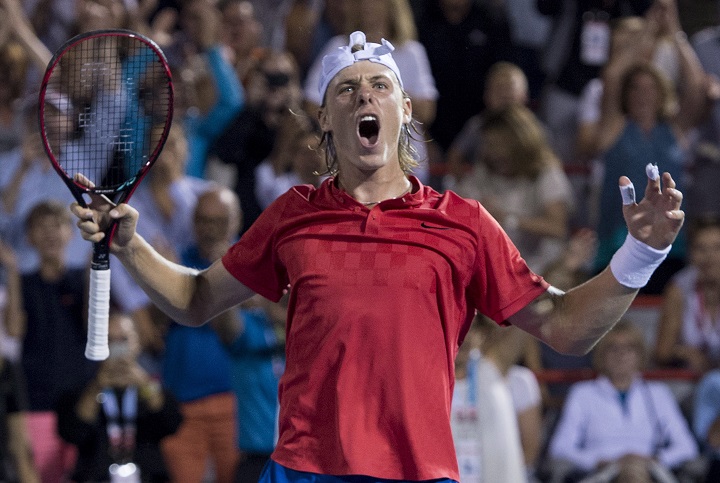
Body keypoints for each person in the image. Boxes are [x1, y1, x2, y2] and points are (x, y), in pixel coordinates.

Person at [71, 30, 685, 482]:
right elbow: (196, 299)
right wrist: (130, 245)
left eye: (379, 85)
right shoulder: (293, 214)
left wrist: (642, 253)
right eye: (347, 89)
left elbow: (565, 328)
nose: (365, 94)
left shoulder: (465, 225)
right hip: (302, 470)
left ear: (403, 111)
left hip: (420, 472)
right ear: (327, 118)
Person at [547, 319, 699, 483]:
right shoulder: (583, 393)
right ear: (601, 354)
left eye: (629, 348)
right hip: (602, 472)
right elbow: (560, 448)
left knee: (635, 474)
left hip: (648, 468)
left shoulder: (658, 393)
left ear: (640, 354)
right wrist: (600, 461)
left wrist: (654, 460)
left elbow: (687, 447)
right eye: (613, 348)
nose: (621, 355)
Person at [159, 186, 241, 483]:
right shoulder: (175, 264)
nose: (210, 229)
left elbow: (238, 329)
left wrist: (223, 270)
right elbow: (154, 325)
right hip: (183, 401)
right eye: (203, 221)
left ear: (236, 222)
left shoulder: (253, 262)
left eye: (219, 221)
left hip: (236, 401)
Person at [20, 200, 98, 483]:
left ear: (69, 232)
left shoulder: (83, 278)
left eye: (57, 225)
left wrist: (94, 268)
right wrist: (11, 267)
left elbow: (95, 327)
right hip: (38, 403)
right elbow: (15, 331)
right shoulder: (23, 283)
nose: (50, 233)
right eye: (42, 227)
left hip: (81, 402)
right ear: (29, 237)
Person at [55, 312, 183, 482]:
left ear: (137, 343)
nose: (116, 348)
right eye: (109, 341)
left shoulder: (149, 387)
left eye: (123, 340)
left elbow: (171, 422)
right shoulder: (82, 389)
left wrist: (142, 382)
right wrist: (98, 385)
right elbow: (72, 432)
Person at [454, 104, 574, 275]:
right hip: (493, 267)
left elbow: (557, 227)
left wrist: (508, 219)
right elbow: (459, 209)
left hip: (538, 269)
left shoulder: (546, 174)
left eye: (499, 144)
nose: (494, 152)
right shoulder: (483, 172)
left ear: (520, 142)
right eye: (489, 144)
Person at [653, 216, 720, 373]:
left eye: (717, 248)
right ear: (691, 253)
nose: (709, 256)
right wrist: (685, 352)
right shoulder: (678, 289)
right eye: (701, 248)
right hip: (693, 383)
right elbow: (662, 352)